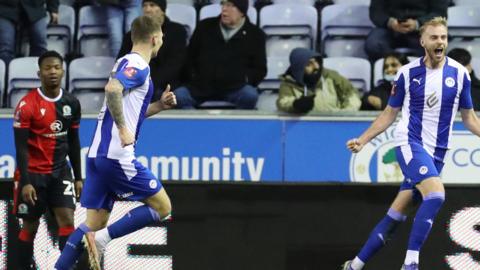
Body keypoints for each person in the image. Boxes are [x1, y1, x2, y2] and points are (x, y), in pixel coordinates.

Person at [343, 17, 480, 270]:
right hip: (410, 143)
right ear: (423, 41)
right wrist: (363, 140)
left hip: (437, 154)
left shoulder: (460, 74)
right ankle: (411, 264)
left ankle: (354, 266)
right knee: (436, 194)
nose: (440, 42)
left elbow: (470, 118)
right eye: (434, 37)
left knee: (396, 215)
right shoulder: (407, 74)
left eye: (443, 37)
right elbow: (389, 113)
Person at [54, 15, 177, 270]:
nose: (162, 42)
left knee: (92, 225)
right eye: (162, 38)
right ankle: (102, 240)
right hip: (116, 156)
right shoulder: (137, 65)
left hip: (99, 156)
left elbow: (129, 109)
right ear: (154, 38)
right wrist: (122, 130)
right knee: (163, 207)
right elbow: (112, 90)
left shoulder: (124, 61)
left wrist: (159, 106)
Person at [13, 50, 82, 270]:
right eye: (47, 68)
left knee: (68, 222)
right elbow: (21, 147)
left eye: (56, 67)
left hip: (60, 171)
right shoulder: (26, 105)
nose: (52, 72)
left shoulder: (71, 102)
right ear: (39, 73)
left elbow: (73, 141)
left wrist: (79, 177)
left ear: (63, 71)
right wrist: (25, 181)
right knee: (30, 227)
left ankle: (66, 267)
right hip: (32, 173)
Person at [174, 0, 267, 109]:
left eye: (231, 6)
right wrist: (194, 77)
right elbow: (189, 58)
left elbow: (260, 69)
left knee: (250, 95)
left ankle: (235, 125)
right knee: (178, 96)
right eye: (223, 4)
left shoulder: (255, 34)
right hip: (202, 86)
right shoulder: (204, 27)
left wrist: (245, 78)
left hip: (235, 87)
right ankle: (195, 125)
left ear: (242, 11)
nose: (224, 9)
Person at [118, 0, 187, 101]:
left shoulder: (177, 31)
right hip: (139, 86)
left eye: (152, 5)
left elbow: (176, 64)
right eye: (145, 6)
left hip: (168, 86)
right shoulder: (132, 34)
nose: (147, 9)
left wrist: (151, 84)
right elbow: (122, 62)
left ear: (162, 10)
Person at [276, 48, 361, 113]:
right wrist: (296, 104)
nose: (316, 67)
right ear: (299, 69)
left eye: (316, 62)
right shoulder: (289, 84)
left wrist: (343, 116)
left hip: (335, 126)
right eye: (309, 64)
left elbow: (352, 95)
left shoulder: (332, 76)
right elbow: (283, 103)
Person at [365, 0, 448, 61]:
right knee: (373, 44)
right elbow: (375, 11)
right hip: (390, 28)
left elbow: (440, 12)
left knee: (434, 45)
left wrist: (417, 24)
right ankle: (389, 75)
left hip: (423, 28)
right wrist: (390, 22)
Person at [0, 0, 58, 65]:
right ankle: (5, 73)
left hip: (36, 8)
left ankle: (38, 72)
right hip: (5, 9)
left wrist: (53, 9)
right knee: (5, 46)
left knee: (40, 44)